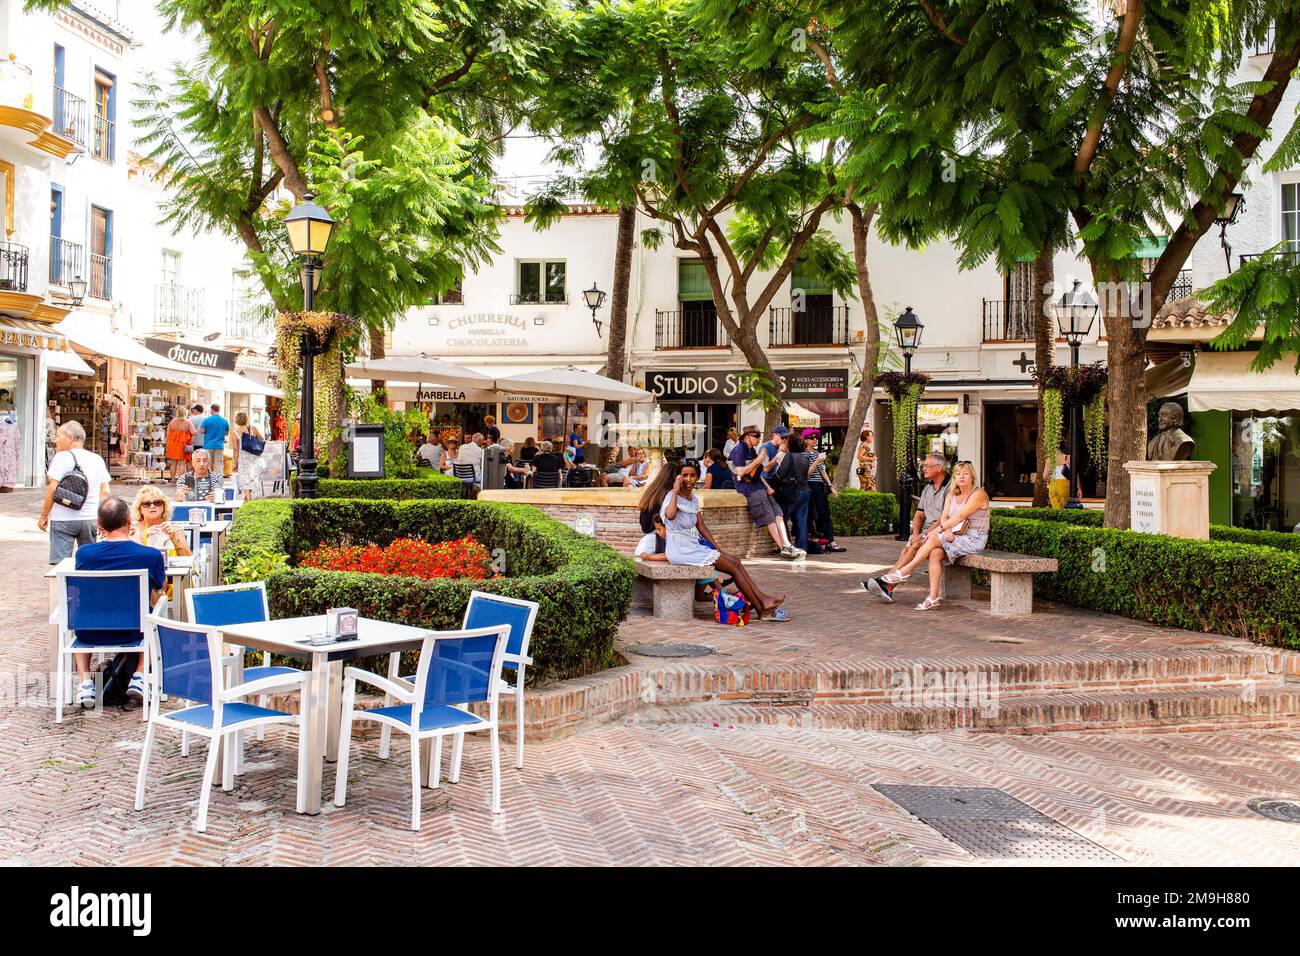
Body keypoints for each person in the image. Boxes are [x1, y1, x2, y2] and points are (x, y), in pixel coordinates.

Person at [659, 459, 788, 620]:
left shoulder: (693, 499)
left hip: (693, 547)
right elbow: (670, 515)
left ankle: (762, 602)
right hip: (680, 550)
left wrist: (716, 548)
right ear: (678, 477)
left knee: (735, 562)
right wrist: (675, 492)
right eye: (685, 475)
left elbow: (701, 526)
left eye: (693, 475)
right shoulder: (672, 496)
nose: (689, 479)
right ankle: (762, 605)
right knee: (733, 566)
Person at [71, 496, 167, 707]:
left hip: (90, 631)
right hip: (134, 631)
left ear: (99, 524)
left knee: (81, 611)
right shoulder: (150, 555)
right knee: (156, 614)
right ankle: (140, 675)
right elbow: (160, 587)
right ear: (129, 520)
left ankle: (85, 681)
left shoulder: (84, 555)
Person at [864, 461, 989, 611]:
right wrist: (947, 530)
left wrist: (939, 530)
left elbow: (961, 515)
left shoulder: (978, 494)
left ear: (972, 476)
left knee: (933, 538)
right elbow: (945, 516)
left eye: (965, 474)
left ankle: (903, 573)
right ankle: (933, 597)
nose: (961, 477)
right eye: (958, 473)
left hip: (974, 539)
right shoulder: (952, 494)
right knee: (935, 553)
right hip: (955, 535)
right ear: (954, 477)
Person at [868, 453, 950, 590]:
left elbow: (945, 518)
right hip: (926, 532)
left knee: (913, 547)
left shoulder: (951, 488)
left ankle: (885, 580)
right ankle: (888, 586)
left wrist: (923, 535)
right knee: (907, 549)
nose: (923, 468)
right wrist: (916, 533)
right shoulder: (928, 487)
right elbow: (919, 514)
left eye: (926, 466)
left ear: (939, 468)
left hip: (940, 532)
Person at [39, 420, 113, 565]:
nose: (56, 440)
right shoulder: (97, 459)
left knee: (60, 565)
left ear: (70, 438)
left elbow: (52, 488)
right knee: (90, 563)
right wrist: (103, 520)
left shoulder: (62, 457)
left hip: (63, 519)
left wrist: (44, 516)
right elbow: (105, 493)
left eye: (59, 436)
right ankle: (87, 587)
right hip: (89, 519)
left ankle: (61, 588)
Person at [729, 424, 802, 559]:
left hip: (759, 485)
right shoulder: (739, 449)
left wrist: (766, 486)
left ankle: (786, 544)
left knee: (778, 513)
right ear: (747, 437)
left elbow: (757, 472)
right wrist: (758, 460)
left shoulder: (752, 450)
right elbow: (740, 472)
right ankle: (783, 548)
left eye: (759, 436)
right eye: (756, 436)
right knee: (769, 517)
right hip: (748, 488)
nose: (758, 439)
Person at [805, 438, 846, 554]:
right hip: (810, 485)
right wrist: (817, 461)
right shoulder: (803, 454)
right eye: (811, 438)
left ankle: (830, 541)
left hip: (820, 486)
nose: (815, 439)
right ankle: (822, 542)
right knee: (816, 515)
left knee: (825, 514)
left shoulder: (817, 453)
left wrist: (830, 486)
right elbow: (807, 473)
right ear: (805, 441)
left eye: (816, 437)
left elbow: (823, 471)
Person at [776, 432, 814, 553]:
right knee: (802, 522)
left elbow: (780, 474)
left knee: (783, 519)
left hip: (792, 492)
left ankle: (787, 546)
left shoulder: (789, 456)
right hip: (805, 490)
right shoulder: (805, 457)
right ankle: (802, 548)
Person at [130, 487, 192, 556]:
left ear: (164, 506)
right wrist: (141, 537)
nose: (152, 506)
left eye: (157, 503)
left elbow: (188, 558)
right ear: (139, 508)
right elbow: (127, 558)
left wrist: (174, 538)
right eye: (146, 504)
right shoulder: (132, 530)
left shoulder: (174, 529)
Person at [232, 411, 264, 502]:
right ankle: (248, 497)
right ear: (246, 419)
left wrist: (235, 463)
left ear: (237, 421)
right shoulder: (252, 429)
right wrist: (253, 440)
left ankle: (248, 498)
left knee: (244, 477)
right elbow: (261, 438)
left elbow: (235, 449)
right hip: (254, 456)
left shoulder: (235, 433)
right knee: (251, 477)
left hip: (243, 458)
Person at [200, 403, 230, 480]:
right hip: (219, 445)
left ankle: (208, 479)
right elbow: (226, 433)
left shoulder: (207, 420)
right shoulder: (224, 421)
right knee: (219, 463)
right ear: (219, 410)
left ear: (212, 410)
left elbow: (201, 431)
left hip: (208, 445)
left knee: (207, 463)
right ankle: (218, 480)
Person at [164, 407, 195, 481]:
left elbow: (167, 435)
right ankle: (181, 480)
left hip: (172, 444)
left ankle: (173, 479)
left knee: (173, 463)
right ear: (185, 413)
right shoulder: (188, 422)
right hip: (182, 444)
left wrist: (166, 445)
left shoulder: (172, 422)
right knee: (182, 464)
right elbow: (194, 432)